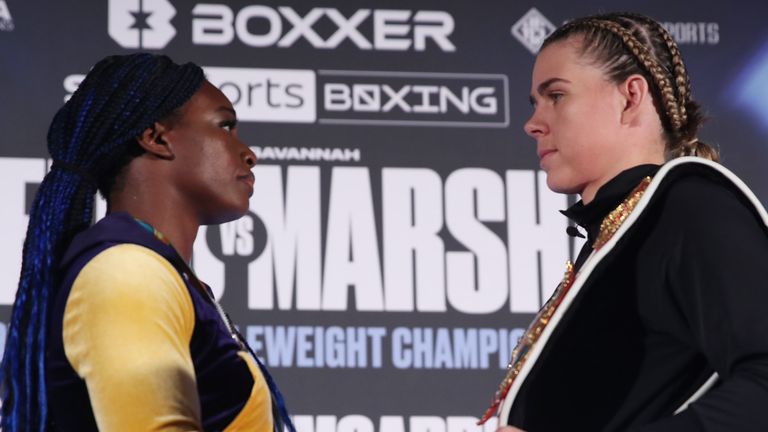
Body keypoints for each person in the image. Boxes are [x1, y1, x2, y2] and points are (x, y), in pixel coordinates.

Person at [478, 12, 768, 431]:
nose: (532, 124)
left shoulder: (692, 207)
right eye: (535, 103)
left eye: (556, 96)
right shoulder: (622, 235)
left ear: (630, 97)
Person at [0, 53, 296, 431]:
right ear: (156, 138)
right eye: (224, 126)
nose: (249, 155)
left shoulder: (156, 273)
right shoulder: (126, 272)